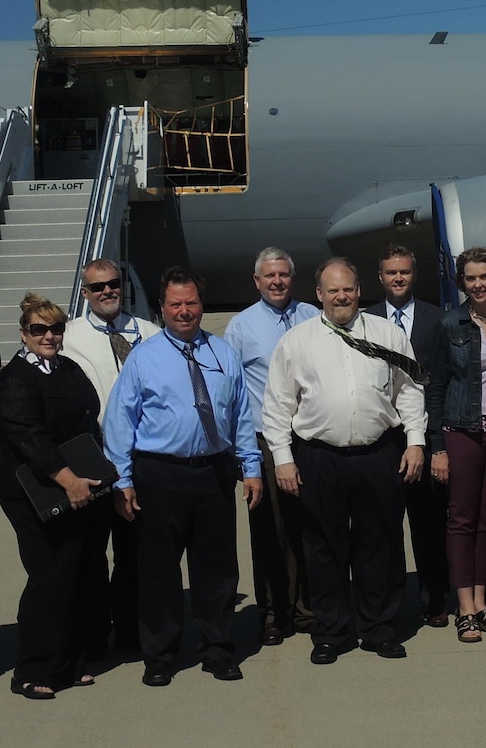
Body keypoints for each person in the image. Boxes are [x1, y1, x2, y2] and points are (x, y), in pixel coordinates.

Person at [103, 268, 263, 686]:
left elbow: (241, 414)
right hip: (160, 474)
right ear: (162, 308)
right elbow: (121, 420)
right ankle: (160, 654)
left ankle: (218, 649)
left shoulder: (222, 353)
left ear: (201, 305)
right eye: (175, 304)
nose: (184, 311)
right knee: (157, 570)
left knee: (217, 568)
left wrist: (251, 466)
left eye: (191, 303)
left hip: (213, 471)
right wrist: (122, 480)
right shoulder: (144, 356)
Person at [263, 258, 427, 663]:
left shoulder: (388, 334)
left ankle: (378, 628)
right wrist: (283, 459)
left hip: (378, 454)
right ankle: (332, 631)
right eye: (332, 290)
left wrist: (416, 441)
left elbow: (410, 390)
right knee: (323, 547)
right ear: (319, 294)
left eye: (348, 289)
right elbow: (278, 404)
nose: (341, 296)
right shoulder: (297, 341)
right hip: (320, 457)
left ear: (359, 290)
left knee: (380, 543)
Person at [0, 293, 109, 699]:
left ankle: (69, 664)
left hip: (75, 482)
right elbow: (29, 437)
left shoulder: (68, 369)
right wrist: (68, 479)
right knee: (49, 575)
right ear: (23, 334)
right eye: (39, 329)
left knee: (78, 572)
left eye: (56, 328)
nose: (49, 336)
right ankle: (32, 669)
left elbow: (87, 419)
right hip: (32, 488)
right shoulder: (15, 379)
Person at [221, 247, 321, 647]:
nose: (277, 281)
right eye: (269, 276)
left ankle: (308, 608)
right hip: (264, 441)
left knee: (311, 527)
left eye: (283, 275)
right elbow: (232, 393)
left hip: (310, 439)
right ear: (257, 280)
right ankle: (273, 614)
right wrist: (243, 452)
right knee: (270, 532)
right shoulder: (241, 327)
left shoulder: (312, 316)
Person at [426, 247, 486, 640]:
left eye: (484, 277)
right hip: (461, 431)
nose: (478, 284)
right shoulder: (450, 324)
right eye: (470, 278)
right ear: (461, 283)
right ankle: (463, 607)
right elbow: (435, 387)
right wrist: (436, 445)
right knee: (462, 519)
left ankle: (483, 603)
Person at [60, 256, 153, 654]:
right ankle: (96, 634)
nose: (107, 292)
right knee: (92, 553)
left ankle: (133, 630)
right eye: (97, 287)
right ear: (85, 293)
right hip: (93, 458)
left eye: (112, 284)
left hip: (139, 457)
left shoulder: (147, 332)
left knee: (135, 552)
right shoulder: (68, 336)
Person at [364, 244, 451, 626]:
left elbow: (442, 383)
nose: (398, 278)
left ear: (414, 275)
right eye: (390, 272)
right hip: (383, 440)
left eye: (404, 271)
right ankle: (389, 603)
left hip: (426, 437)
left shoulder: (438, 319)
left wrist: (437, 442)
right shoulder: (364, 320)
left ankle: (434, 601)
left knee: (429, 525)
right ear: (380, 277)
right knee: (383, 527)